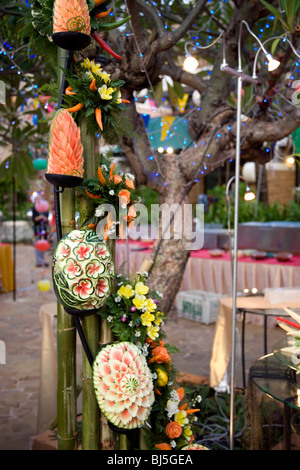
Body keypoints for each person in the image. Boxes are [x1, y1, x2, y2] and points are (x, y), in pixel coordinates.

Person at [32, 200, 49, 267]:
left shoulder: (45, 208)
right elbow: (34, 219)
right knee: (37, 244)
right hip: (37, 229)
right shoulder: (35, 208)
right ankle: (39, 261)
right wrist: (40, 217)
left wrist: (44, 218)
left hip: (44, 229)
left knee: (43, 243)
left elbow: (47, 218)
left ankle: (42, 260)